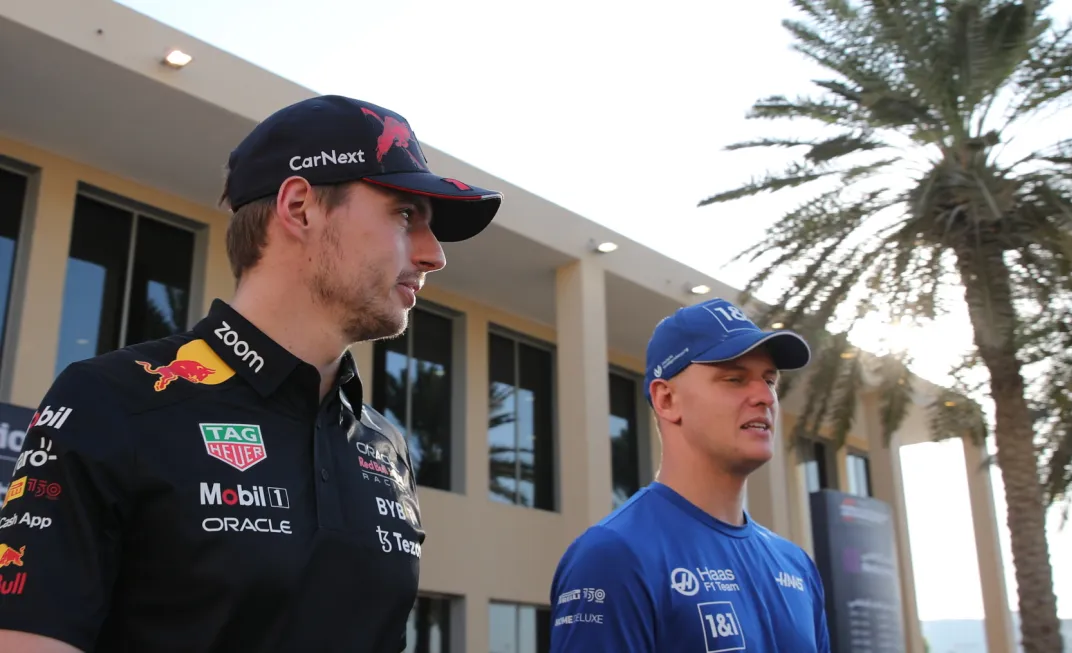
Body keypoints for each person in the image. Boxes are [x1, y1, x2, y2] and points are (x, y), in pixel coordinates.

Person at [0, 95, 502, 653]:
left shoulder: (386, 447)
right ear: (300, 207)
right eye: (406, 216)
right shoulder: (110, 401)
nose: (435, 255)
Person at [548, 297, 832, 652]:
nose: (764, 396)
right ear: (666, 399)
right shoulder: (614, 555)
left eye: (770, 380)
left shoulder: (797, 567)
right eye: (734, 378)